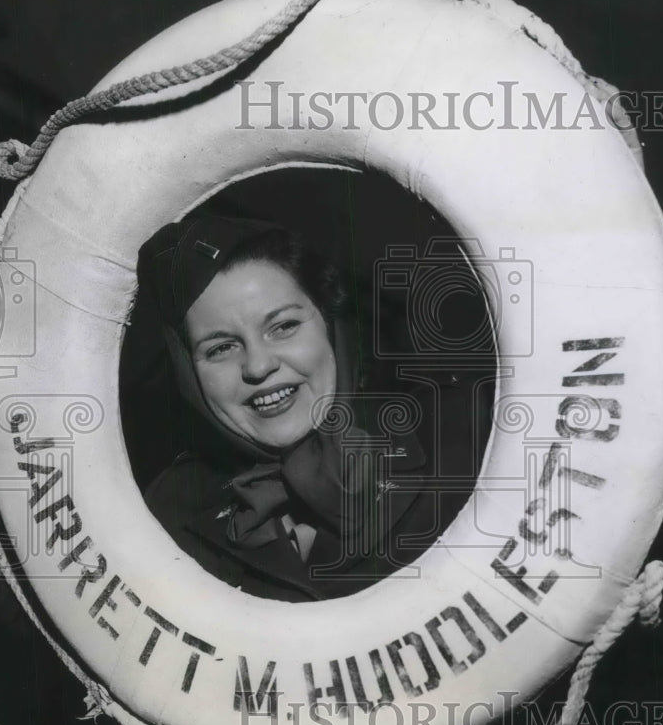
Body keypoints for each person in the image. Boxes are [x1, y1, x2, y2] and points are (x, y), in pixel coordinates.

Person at [139, 212, 477, 602]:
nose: (259, 365)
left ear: (331, 324)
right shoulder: (168, 515)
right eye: (220, 348)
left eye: (283, 326)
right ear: (189, 376)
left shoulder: (462, 429)